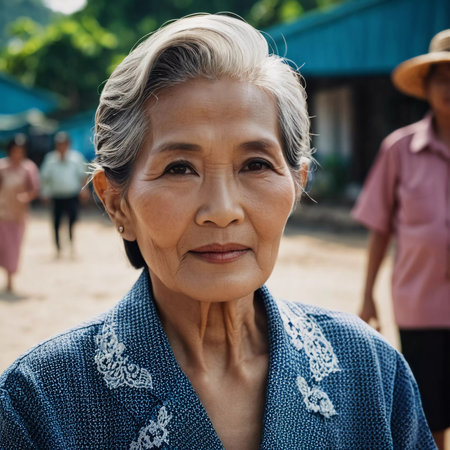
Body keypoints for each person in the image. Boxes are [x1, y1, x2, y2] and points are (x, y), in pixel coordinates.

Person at [0, 14, 435, 449]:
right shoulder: (38, 404)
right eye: (179, 169)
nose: (222, 211)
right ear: (117, 202)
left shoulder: (372, 373)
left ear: (297, 183)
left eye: (256, 165)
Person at [352, 29, 450, 449]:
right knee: (431, 420)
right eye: (441, 78)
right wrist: (368, 294)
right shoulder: (400, 149)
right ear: (426, 87)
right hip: (420, 306)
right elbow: (380, 228)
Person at [0, 135, 40, 292]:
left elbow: (34, 189)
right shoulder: (2, 167)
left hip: (18, 215)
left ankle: (10, 278)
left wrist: (27, 197)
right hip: (2, 213)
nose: (17, 154)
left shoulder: (28, 168)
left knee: (14, 247)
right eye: (15, 151)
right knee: (3, 246)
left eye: (20, 151)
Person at [40, 131, 88, 257]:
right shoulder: (50, 159)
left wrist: (84, 190)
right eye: (59, 144)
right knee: (56, 222)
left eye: (64, 144)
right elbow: (45, 178)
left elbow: (83, 176)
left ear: (68, 144)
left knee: (72, 221)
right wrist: (45, 193)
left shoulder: (76, 158)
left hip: (71, 195)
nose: (62, 146)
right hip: (56, 196)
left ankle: (71, 244)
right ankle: (58, 248)